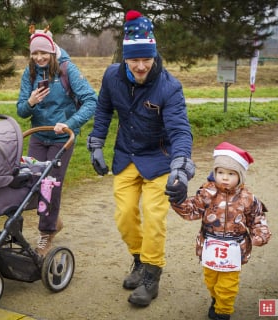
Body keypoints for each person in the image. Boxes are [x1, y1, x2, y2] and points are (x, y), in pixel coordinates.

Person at [87, 10, 195, 307]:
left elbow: (180, 131)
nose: (140, 66)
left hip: (159, 161)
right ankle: (138, 259)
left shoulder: (168, 87)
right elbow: (104, 110)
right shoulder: (112, 76)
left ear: (154, 55)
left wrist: (181, 168)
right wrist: (96, 144)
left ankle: (152, 274)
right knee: (124, 217)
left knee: (153, 217)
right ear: (125, 58)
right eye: (134, 60)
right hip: (126, 157)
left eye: (146, 59)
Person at [17, 26, 97, 256]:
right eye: (34, 53)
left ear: (52, 51)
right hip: (39, 135)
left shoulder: (67, 69)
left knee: (49, 183)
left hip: (62, 138)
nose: (39, 57)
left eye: (43, 53)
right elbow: (21, 111)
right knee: (30, 180)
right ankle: (53, 219)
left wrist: (70, 123)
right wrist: (30, 102)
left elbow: (92, 100)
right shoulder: (30, 72)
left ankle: (46, 233)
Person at [171, 142, 271, 320]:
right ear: (214, 173)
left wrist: (260, 234)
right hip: (209, 246)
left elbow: (257, 217)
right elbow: (192, 210)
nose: (225, 177)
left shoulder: (248, 198)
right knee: (211, 280)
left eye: (231, 173)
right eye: (220, 172)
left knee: (227, 285)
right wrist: (177, 200)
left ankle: (223, 312)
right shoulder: (207, 193)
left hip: (234, 248)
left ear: (240, 176)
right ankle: (216, 299)